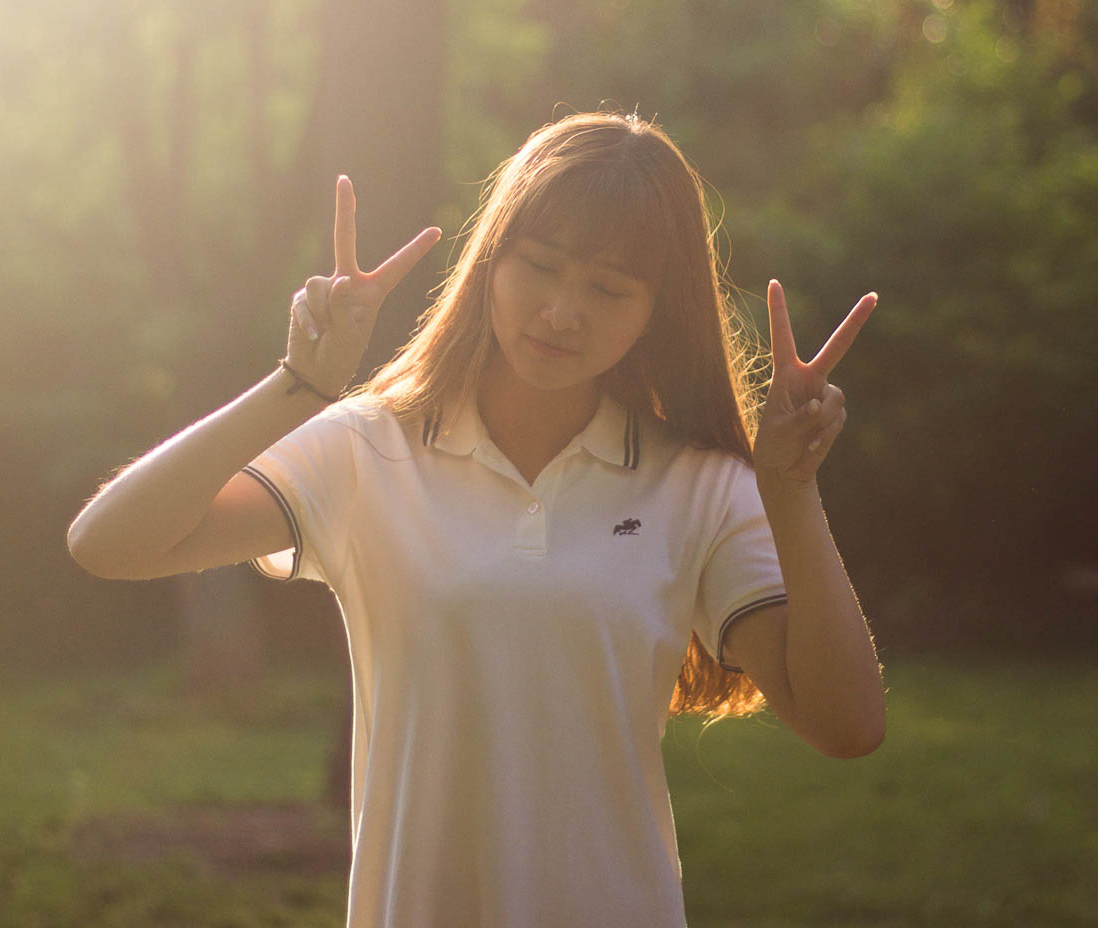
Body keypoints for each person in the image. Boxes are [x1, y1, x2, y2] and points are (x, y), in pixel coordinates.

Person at [67, 110, 886, 927]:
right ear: (492, 257)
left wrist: (789, 489)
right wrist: (298, 386)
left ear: (655, 310)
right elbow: (107, 544)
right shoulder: (368, 446)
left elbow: (847, 725)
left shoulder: (700, 485)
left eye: (608, 288)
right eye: (541, 265)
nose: (561, 311)